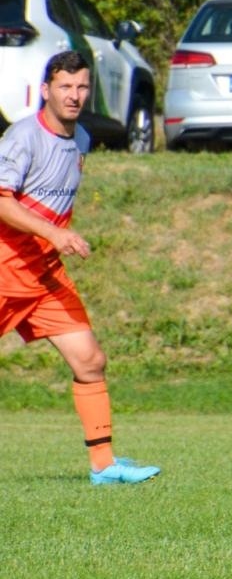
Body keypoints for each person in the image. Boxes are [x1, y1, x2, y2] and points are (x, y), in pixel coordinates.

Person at [0, 51, 160, 485]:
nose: (74, 95)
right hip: (5, 271)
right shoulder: (22, 137)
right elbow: (3, 202)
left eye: (82, 87)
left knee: (90, 359)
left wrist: (52, 241)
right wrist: (54, 234)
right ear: (46, 90)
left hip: (45, 275)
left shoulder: (82, 139)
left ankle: (104, 467)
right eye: (65, 87)